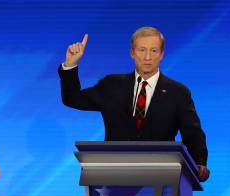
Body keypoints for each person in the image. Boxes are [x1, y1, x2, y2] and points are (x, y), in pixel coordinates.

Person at [58, 27, 210, 181]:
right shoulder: (111, 85)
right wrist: (70, 64)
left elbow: (193, 133)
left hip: (162, 177)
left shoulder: (178, 92)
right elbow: (72, 98)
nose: (147, 57)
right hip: (115, 176)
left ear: (162, 54)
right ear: (132, 53)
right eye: (142, 50)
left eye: (154, 50)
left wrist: (199, 162)